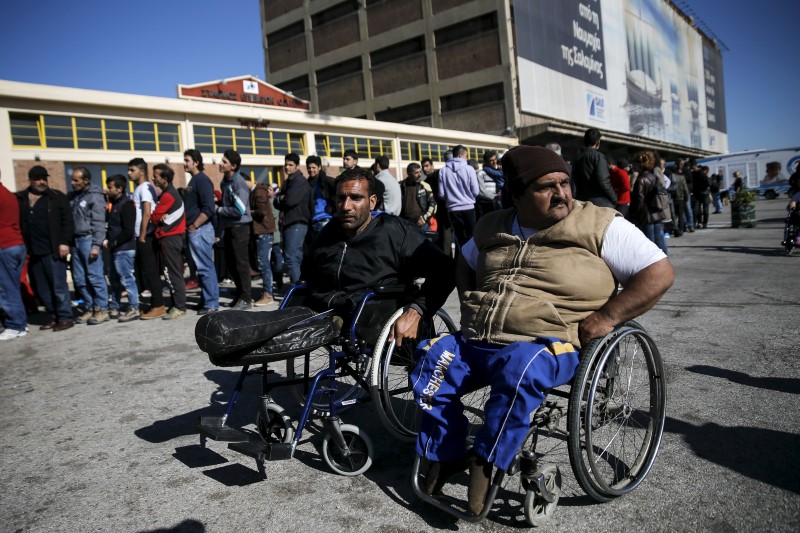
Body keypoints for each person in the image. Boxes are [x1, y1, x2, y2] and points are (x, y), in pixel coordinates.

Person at [411, 146, 674, 515]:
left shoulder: (599, 224)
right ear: (516, 195)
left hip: (547, 343)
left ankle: (488, 461)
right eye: (547, 186)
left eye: (565, 183)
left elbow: (658, 273)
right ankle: (447, 453)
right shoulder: (492, 224)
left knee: (520, 369)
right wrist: (470, 297)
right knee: (431, 358)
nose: (562, 193)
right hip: (480, 338)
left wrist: (608, 316)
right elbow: (464, 261)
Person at [301, 166, 454, 345]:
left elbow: (446, 270)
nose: (346, 206)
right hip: (331, 312)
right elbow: (309, 275)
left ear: (372, 202)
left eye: (356, 198)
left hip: (377, 318)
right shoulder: (327, 235)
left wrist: (417, 311)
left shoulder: (395, 232)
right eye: (341, 198)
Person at [17, 166, 74, 331]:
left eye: (44, 178)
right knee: (41, 288)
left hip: (53, 250)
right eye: (38, 178)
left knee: (58, 286)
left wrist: (64, 242)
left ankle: (65, 317)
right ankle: (53, 316)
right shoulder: (21, 198)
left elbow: (67, 222)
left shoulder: (56, 197)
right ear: (30, 180)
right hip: (33, 251)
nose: (42, 181)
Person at [69, 166, 110, 325]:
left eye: (76, 180)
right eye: (72, 179)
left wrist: (96, 245)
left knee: (95, 277)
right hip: (76, 241)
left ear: (86, 180)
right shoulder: (74, 197)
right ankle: (90, 307)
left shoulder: (95, 197)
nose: (72, 183)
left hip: (89, 240)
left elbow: (99, 223)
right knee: (79, 279)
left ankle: (102, 309)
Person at [183, 149, 220, 315]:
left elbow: (209, 207)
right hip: (196, 230)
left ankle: (212, 303)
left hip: (201, 230)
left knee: (205, 267)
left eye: (187, 160)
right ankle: (206, 300)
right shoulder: (194, 180)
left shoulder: (202, 180)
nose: (185, 163)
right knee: (201, 267)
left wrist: (195, 225)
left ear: (196, 162)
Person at [217, 149, 254, 310]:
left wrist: (218, 210)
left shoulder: (239, 183)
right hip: (230, 227)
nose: (221, 164)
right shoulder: (225, 182)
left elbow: (239, 209)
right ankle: (239, 295)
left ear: (233, 166)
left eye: (224, 162)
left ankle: (246, 298)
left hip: (240, 227)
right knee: (231, 264)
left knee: (241, 263)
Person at [149, 164, 187, 320]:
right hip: (172, 238)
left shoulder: (168, 195)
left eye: (156, 176)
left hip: (170, 238)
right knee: (172, 272)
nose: (153, 178)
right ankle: (177, 304)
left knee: (171, 273)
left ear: (164, 179)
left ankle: (179, 306)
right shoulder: (169, 193)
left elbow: (154, 216)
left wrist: (158, 216)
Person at [129, 158, 165, 315]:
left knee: (151, 271)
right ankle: (154, 304)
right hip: (142, 235)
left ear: (142, 171)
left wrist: (142, 235)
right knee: (147, 271)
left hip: (146, 235)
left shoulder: (145, 188)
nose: (129, 173)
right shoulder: (140, 188)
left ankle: (158, 305)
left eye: (132, 170)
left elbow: (147, 212)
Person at [103, 174, 140, 322]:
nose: (107, 190)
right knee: (114, 279)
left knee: (127, 279)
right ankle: (115, 306)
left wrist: (113, 243)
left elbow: (128, 230)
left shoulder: (127, 204)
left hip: (124, 248)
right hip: (115, 249)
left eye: (110, 187)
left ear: (119, 188)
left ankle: (134, 308)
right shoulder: (113, 204)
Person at [274, 153, 311, 287]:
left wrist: (280, 198)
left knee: (292, 258)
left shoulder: (299, 181)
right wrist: (280, 198)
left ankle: (298, 291)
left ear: (296, 166)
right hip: (289, 223)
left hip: (297, 223)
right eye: (286, 164)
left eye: (290, 165)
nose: (287, 167)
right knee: (292, 258)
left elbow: (289, 200)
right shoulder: (288, 182)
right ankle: (298, 289)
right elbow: (277, 202)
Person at [0, 176, 28, 339]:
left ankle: (15, 325)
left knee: (6, 288)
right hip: (16, 244)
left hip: (5, 245)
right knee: (13, 287)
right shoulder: (8, 194)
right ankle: (20, 323)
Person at [438, 145, 479, 249]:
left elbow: (441, 194)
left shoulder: (443, 171)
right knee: (472, 237)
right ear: (460, 155)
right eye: (466, 156)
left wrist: (451, 198)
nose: (467, 158)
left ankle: (462, 261)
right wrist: (468, 197)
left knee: (459, 238)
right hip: (469, 207)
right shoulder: (469, 169)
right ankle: (473, 262)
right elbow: (476, 191)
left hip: (453, 209)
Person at [628, 151, 669, 255]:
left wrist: (633, 216)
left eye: (635, 163)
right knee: (660, 242)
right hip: (657, 213)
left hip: (646, 217)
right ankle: (664, 260)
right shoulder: (654, 177)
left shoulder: (640, 180)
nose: (633, 166)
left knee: (649, 244)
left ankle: (653, 265)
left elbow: (638, 201)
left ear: (640, 164)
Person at [573, 128, 616, 208]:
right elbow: (604, 182)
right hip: (599, 202)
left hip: (581, 201)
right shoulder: (599, 156)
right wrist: (614, 198)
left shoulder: (577, 158)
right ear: (598, 142)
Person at [250, 178, 277, 306]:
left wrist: (248, 211)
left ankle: (268, 294)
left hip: (264, 231)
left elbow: (261, 212)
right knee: (263, 263)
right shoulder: (258, 191)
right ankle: (267, 292)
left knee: (264, 263)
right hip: (263, 231)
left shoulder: (259, 191)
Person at [306, 155, 336, 241]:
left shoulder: (327, 181)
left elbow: (339, 192)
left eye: (313, 167)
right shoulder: (307, 184)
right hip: (313, 221)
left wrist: (331, 207)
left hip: (326, 218)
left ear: (319, 167)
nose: (311, 170)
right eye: (309, 168)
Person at [399, 162, 436, 231]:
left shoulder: (425, 186)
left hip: (422, 224)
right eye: (416, 173)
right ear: (409, 173)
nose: (420, 175)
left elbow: (433, 204)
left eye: (420, 172)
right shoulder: (400, 186)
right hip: (405, 223)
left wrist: (423, 219)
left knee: (425, 242)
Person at [475, 150, 504, 218]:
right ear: (486, 162)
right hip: (487, 205)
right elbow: (482, 192)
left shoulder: (497, 173)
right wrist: (496, 196)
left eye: (495, 159)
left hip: (498, 204)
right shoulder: (481, 174)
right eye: (491, 160)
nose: (494, 162)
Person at [669, 161, 691, 236]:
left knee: (674, 214)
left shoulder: (671, 176)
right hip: (681, 198)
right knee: (681, 214)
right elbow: (685, 188)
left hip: (673, 197)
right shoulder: (682, 178)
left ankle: (675, 229)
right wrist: (687, 197)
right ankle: (681, 229)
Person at [692, 165, 711, 229]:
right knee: (696, 210)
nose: (704, 172)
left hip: (705, 195)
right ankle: (696, 223)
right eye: (703, 171)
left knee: (705, 210)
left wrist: (706, 176)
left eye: (706, 171)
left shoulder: (707, 178)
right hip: (697, 195)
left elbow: (708, 184)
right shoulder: (697, 175)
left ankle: (705, 223)